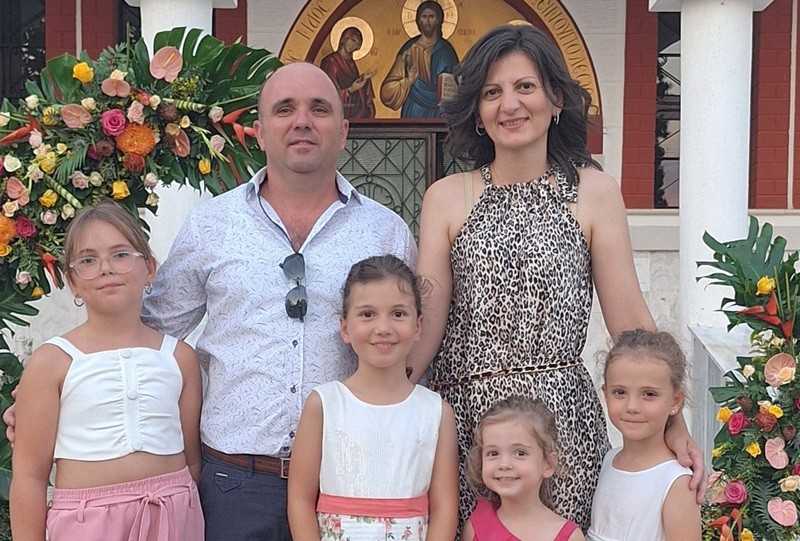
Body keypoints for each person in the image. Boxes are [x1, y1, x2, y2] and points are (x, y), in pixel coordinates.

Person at [4, 62, 416, 541]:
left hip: (349, 479)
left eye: (319, 109)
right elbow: (145, 327)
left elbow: (408, 349)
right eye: (285, 109)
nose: (302, 121)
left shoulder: (385, 231)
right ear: (259, 132)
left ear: (343, 131)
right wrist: (51, 394)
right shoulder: (212, 225)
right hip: (234, 483)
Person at [409, 24, 703, 529]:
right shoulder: (446, 197)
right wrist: (375, 402)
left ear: (557, 99)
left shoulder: (594, 192)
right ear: (477, 112)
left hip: (561, 426)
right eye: (492, 93)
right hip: (471, 432)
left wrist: (673, 423)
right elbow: (426, 327)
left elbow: (629, 321)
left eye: (525, 87)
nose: (509, 105)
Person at [10, 200, 204, 541]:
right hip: (87, 526)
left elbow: (192, 460)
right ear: (72, 281)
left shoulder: (180, 357)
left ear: (150, 268)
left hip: (173, 519)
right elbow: (29, 477)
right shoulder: (51, 362)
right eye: (88, 260)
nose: (106, 268)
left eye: (120, 254)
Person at [288, 255, 458, 540]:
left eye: (398, 314)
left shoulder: (436, 412)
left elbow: (445, 508)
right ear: (345, 328)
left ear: (418, 326)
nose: (383, 328)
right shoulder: (324, 405)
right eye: (368, 314)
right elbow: (300, 500)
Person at [588, 330, 700, 541]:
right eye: (620, 392)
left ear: (675, 401)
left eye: (649, 394)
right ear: (605, 394)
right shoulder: (608, 459)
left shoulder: (676, 481)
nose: (632, 406)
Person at [463, 397, 583, 541]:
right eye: (493, 453)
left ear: (548, 464)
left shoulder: (569, 537)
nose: (504, 464)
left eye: (520, 453)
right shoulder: (477, 525)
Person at [380, 0, 458, 118]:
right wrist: (408, 81)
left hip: (440, 113)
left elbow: (456, 86)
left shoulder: (447, 50)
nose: (427, 21)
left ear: (439, 20)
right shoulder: (408, 49)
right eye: (424, 17)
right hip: (414, 111)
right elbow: (387, 91)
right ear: (418, 20)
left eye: (431, 17)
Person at [320, 26, 376, 119]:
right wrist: (351, 89)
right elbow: (328, 93)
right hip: (337, 114)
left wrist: (364, 80)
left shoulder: (351, 63)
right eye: (353, 40)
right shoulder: (330, 61)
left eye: (358, 44)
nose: (355, 45)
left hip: (351, 111)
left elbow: (353, 84)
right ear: (344, 39)